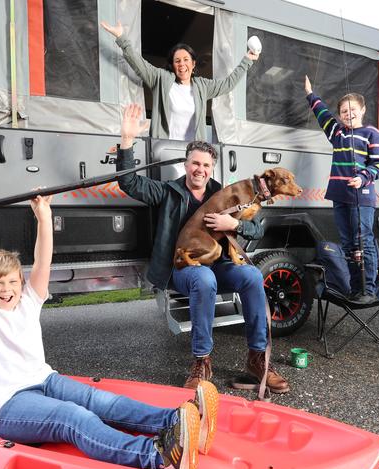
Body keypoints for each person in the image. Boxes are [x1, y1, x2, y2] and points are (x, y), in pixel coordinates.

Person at [0, 195, 219, 469]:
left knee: (100, 400)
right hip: (6, 406)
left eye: (12, 281)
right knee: (73, 417)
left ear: (21, 283)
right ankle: (158, 456)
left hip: (43, 380)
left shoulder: (28, 301)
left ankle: (176, 420)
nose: (6, 288)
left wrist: (43, 216)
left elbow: (43, 261)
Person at [116, 104, 290, 393]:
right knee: (204, 279)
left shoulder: (224, 193)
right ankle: (201, 361)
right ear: (186, 165)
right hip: (184, 268)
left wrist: (231, 224)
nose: (200, 169)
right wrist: (126, 141)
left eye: (206, 165)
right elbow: (129, 182)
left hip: (218, 264)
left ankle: (258, 358)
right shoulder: (168, 192)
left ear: (212, 169)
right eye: (195, 163)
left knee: (252, 277)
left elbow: (257, 229)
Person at [100, 21, 259, 141]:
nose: (182, 64)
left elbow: (228, 84)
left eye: (185, 60)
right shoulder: (160, 78)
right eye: (177, 61)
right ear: (172, 65)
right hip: (164, 149)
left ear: (193, 63)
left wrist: (247, 60)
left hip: (193, 153)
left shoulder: (202, 86)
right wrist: (121, 37)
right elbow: (139, 63)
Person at [304, 75, 379, 303]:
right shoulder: (338, 133)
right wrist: (311, 94)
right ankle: (354, 288)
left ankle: (368, 289)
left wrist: (363, 178)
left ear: (362, 110)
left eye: (352, 110)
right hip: (339, 197)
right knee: (349, 244)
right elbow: (323, 115)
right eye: (343, 111)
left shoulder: (372, 133)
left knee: (364, 241)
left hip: (362, 198)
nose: (347, 114)